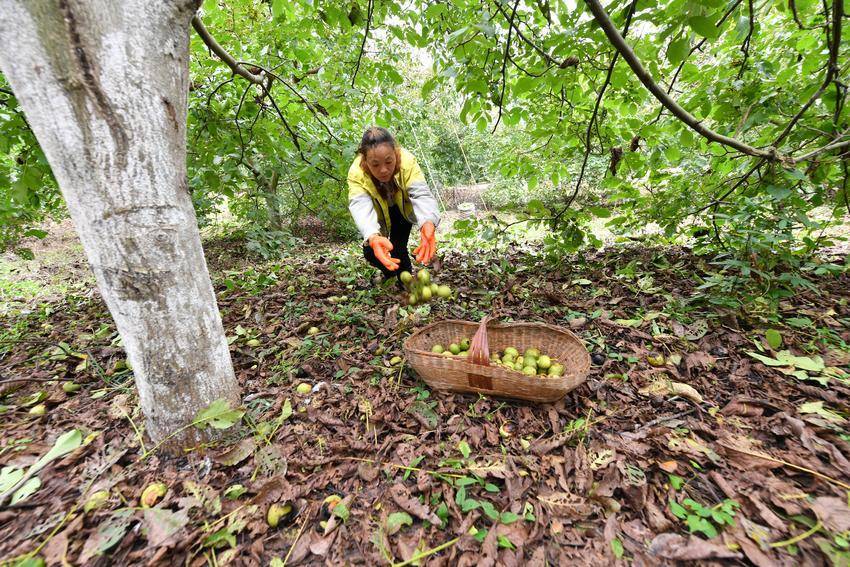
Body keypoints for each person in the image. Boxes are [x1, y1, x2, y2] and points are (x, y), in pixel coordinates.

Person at [347, 127, 440, 283]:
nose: (383, 170)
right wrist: (372, 234)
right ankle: (391, 275)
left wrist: (428, 222)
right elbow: (360, 205)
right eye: (375, 165)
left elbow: (421, 194)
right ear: (365, 161)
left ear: (395, 153)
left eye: (389, 161)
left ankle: (405, 283)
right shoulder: (356, 173)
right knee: (371, 252)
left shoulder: (407, 161)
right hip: (377, 213)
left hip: (401, 210)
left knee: (398, 248)